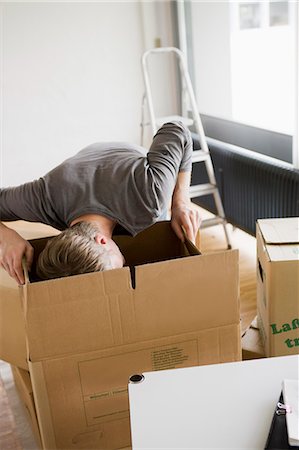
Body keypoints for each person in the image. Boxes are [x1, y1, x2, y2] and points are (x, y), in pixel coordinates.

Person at [0, 121, 200, 284]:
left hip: (127, 162)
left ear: (102, 241)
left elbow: (177, 129)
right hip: (81, 168)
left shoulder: (150, 196)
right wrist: (6, 236)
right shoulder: (43, 198)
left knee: (162, 223)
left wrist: (180, 202)